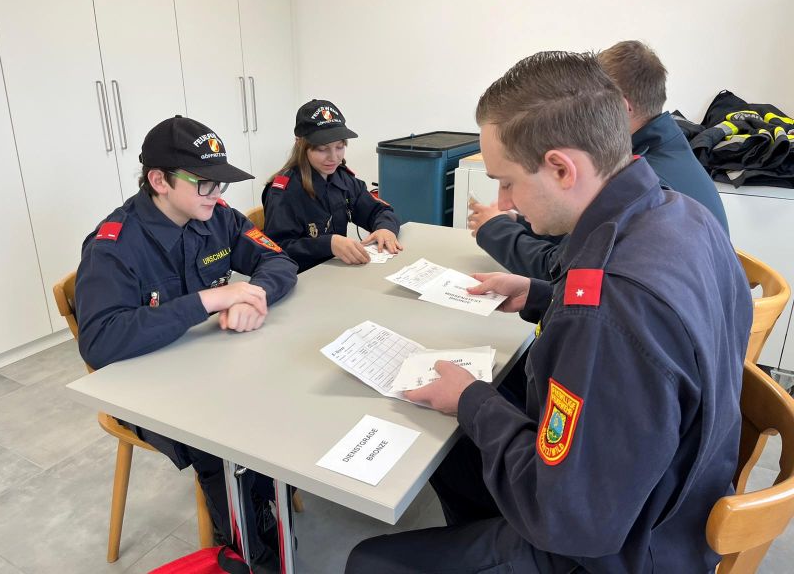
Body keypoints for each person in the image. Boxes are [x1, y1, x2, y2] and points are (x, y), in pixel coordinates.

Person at [345, 52, 752, 573]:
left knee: (371, 561)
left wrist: (471, 399)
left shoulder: (608, 312)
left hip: (613, 549)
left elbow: (567, 519)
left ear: (562, 168)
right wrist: (542, 294)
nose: (504, 203)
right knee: (456, 451)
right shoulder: (679, 213)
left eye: (507, 182)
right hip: (666, 493)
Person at [75, 115, 298, 572]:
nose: (217, 194)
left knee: (278, 393)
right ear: (159, 181)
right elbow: (100, 341)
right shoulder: (113, 246)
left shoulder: (216, 217)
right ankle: (248, 549)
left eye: (221, 183)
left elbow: (278, 260)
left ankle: (265, 503)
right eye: (205, 183)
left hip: (206, 367)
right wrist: (208, 301)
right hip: (144, 391)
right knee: (218, 436)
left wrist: (254, 296)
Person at [470, 40, 729, 280]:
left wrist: (495, 229)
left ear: (619, 107)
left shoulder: (647, 182)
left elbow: (564, 266)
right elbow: (579, 235)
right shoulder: (661, 159)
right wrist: (524, 222)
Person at [262, 99, 402, 272]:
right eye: (322, 149)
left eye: (340, 147)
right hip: (302, 277)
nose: (334, 157)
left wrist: (385, 229)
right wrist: (328, 245)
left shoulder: (342, 179)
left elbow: (379, 211)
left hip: (338, 272)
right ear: (300, 144)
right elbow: (277, 249)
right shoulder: (284, 191)